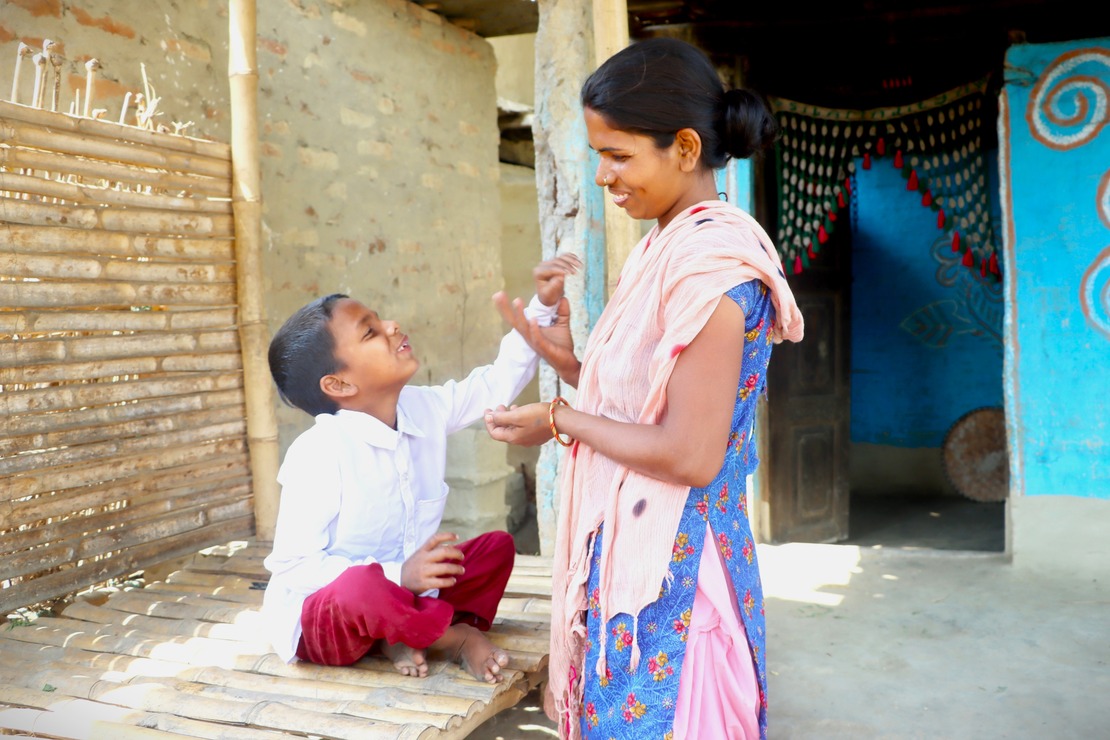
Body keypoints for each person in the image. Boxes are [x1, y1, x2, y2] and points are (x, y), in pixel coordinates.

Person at [483, 37, 804, 738]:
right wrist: (571, 365)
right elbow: (652, 400)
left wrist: (563, 416)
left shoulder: (711, 270)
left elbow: (690, 453)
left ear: (685, 149)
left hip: (677, 578)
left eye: (619, 154)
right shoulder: (667, 244)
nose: (604, 175)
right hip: (637, 557)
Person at [260, 252, 581, 684]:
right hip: (327, 621)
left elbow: (493, 383)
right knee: (362, 587)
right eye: (371, 331)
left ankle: (403, 633)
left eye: (380, 320)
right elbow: (294, 567)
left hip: (405, 596)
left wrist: (540, 309)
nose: (392, 326)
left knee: (496, 548)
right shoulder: (319, 452)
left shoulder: (422, 409)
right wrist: (399, 575)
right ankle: (452, 637)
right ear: (339, 384)